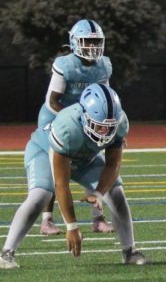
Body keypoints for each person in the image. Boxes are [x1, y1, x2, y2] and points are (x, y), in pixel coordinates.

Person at [0, 85, 148, 269]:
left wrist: (99, 193)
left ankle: (129, 251)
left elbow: (113, 165)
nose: (104, 133)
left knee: (116, 192)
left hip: (85, 157)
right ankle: (6, 253)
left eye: (109, 128)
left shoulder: (120, 121)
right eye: (99, 127)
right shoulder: (66, 127)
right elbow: (61, 184)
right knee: (40, 195)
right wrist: (72, 226)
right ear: (85, 118)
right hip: (44, 150)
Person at [37, 19, 115, 236]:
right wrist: (71, 121)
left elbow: (107, 98)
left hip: (88, 120)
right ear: (74, 41)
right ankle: (47, 220)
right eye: (86, 42)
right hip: (56, 116)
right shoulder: (65, 64)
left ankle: (98, 218)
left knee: (93, 161)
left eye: (95, 42)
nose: (91, 47)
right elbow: (52, 100)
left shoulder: (103, 66)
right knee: (55, 169)